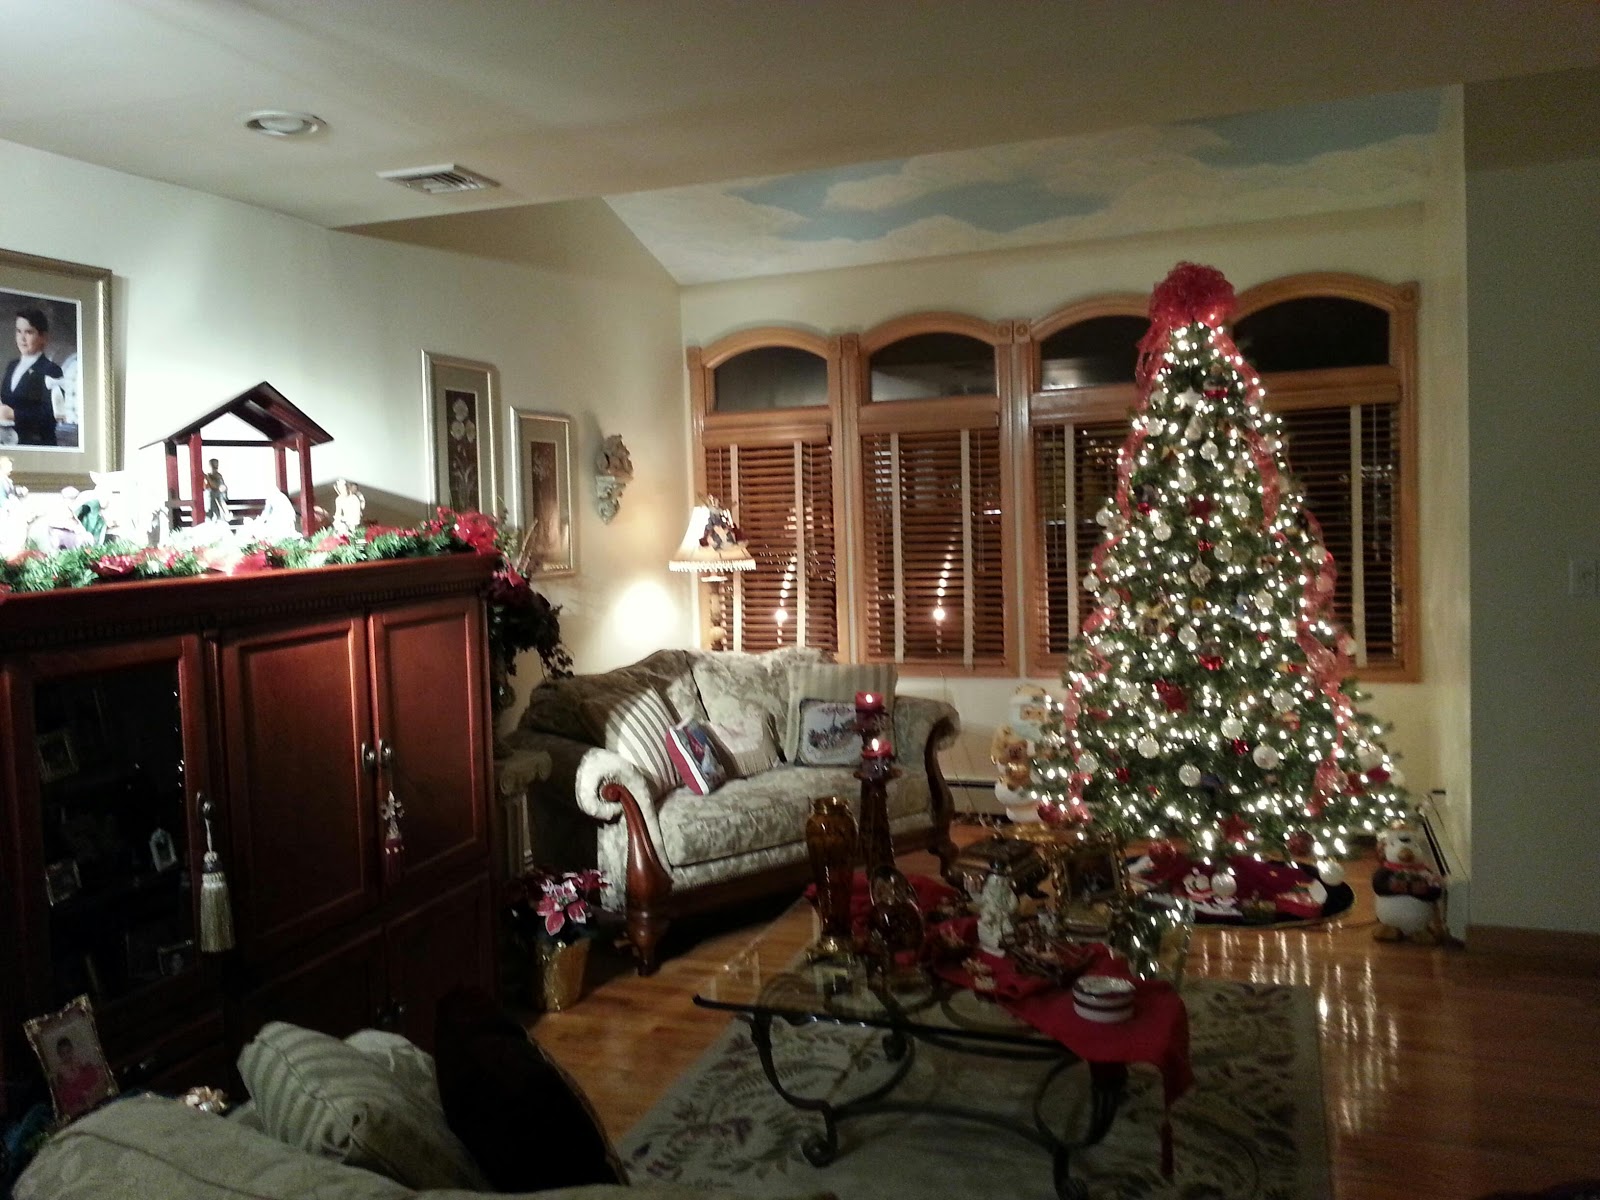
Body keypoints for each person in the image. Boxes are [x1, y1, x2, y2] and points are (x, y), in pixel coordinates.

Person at [2, 307, 65, 447]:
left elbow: (52, 414)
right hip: (9, 442)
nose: (22, 338)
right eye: (18, 331)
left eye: (29, 332)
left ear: (43, 337)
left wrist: (14, 414)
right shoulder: (12, 365)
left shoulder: (51, 369)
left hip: (38, 444)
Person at [52, 1034, 109, 1117]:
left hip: (80, 1080)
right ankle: (83, 1097)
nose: (67, 1056)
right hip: (72, 1085)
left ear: (72, 1050)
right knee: (70, 1092)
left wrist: (83, 1068)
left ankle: (89, 1093)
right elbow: (65, 1080)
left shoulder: (75, 1059)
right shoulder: (61, 1067)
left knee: (91, 1071)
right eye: (63, 1054)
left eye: (68, 1052)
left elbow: (82, 1069)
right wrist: (72, 1074)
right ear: (59, 1055)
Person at [203, 458, 229, 523]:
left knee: (218, 514)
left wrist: (208, 478)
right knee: (211, 514)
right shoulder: (209, 476)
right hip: (210, 499)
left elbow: (217, 486)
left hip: (217, 499)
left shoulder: (218, 476)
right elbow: (205, 487)